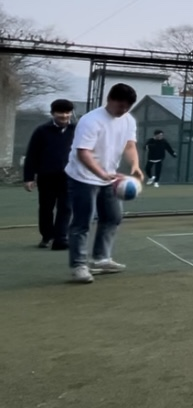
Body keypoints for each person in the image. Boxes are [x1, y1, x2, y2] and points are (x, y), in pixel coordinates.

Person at [64, 84, 144, 283]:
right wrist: (101, 173)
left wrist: (135, 165)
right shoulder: (90, 120)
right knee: (82, 222)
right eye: (120, 106)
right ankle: (79, 266)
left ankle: (101, 259)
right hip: (82, 177)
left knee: (113, 217)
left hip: (109, 177)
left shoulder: (128, 120)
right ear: (110, 100)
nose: (123, 110)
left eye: (128, 107)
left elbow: (129, 145)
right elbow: (83, 153)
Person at [22, 98, 76, 250]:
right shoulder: (41, 131)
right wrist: (28, 178)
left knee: (66, 207)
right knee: (46, 208)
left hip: (69, 176)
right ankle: (47, 236)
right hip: (47, 176)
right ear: (52, 113)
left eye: (67, 112)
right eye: (60, 112)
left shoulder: (77, 130)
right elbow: (32, 155)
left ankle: (61, 238)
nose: (64, 116)